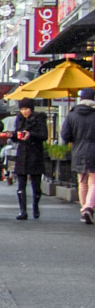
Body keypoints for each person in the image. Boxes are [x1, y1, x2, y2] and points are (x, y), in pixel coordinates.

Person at [61, 86, 95, 224]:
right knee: (93, 182)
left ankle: (83, 210)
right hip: (94, 151)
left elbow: (65, 135)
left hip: (78, 151)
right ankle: (89, 207)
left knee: (82, 183)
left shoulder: (72, 114)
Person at [11, 98, 48, 220]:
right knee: (21, 185)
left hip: (35, 154)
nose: (24, 112)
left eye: (26, 109)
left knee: (36, 185)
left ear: (31, 109)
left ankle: (35, 206)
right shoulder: (19, 119)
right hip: (22, 154)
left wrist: (31, 135)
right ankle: (23, 210)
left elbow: (44, 135)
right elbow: (16, 135)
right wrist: (13, 136)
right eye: (22, 109)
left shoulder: (39, 119)